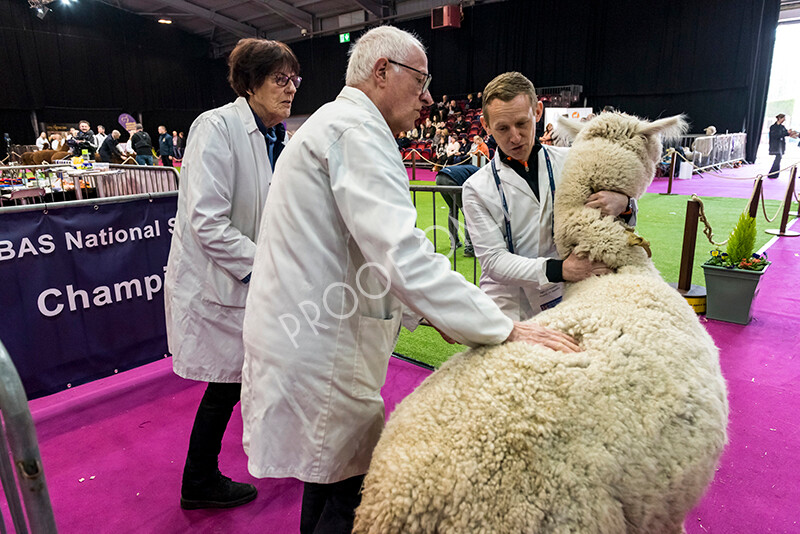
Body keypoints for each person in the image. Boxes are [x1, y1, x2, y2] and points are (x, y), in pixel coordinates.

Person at [240, 26, 580, 534]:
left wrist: (432, 315)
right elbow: (400, 252)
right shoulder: (356, 132)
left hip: (313, 339)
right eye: (420, 80)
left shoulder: (342, 127)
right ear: (382, 72)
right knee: (345, 495)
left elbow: (365, 254)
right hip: (322, 349)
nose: (427, 97)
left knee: (330, 481)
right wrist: (502, 326)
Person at [164, 37, 299, 511]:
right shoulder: (216, 127)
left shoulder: (274, 135)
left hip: (249, 280)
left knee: (264, 372)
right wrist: (268, 267)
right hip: (222, 283)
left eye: (294, 79)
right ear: (250, 83)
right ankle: (198, 481)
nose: (291, 89)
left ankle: (281, 452)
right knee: (226, 385)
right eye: (281, 79)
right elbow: (207, 220)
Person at [463, 72, 635, 321]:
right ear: (486, 125)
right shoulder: (476, 188)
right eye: (502, 128)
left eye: (522, 123)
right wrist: (561, 269)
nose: (514, 137)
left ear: (538, 111)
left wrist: (624, 204)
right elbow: (493, 260)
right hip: (509, 306)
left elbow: (622, 219)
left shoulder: (574, 160)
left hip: (570, 295)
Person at [436, 163, 479, 256]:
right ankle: (470, 248)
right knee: (467, 212)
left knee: (453, 209)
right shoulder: (480, 174)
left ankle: (454, 242)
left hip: (439, 177)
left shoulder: (473, 169)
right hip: (452, 180)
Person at [768, 114, 795, 178]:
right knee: (778, 158)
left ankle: (774, 173)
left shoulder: (782, 127)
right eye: (783, 118)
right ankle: (773, 173)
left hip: (781, 144)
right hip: (775, 144)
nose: (784, 120)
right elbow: (775, 135)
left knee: (778, 158)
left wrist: (790, 133)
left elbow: (785, 133)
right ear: (780, 118)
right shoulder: (773, 127)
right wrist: (786, 133)